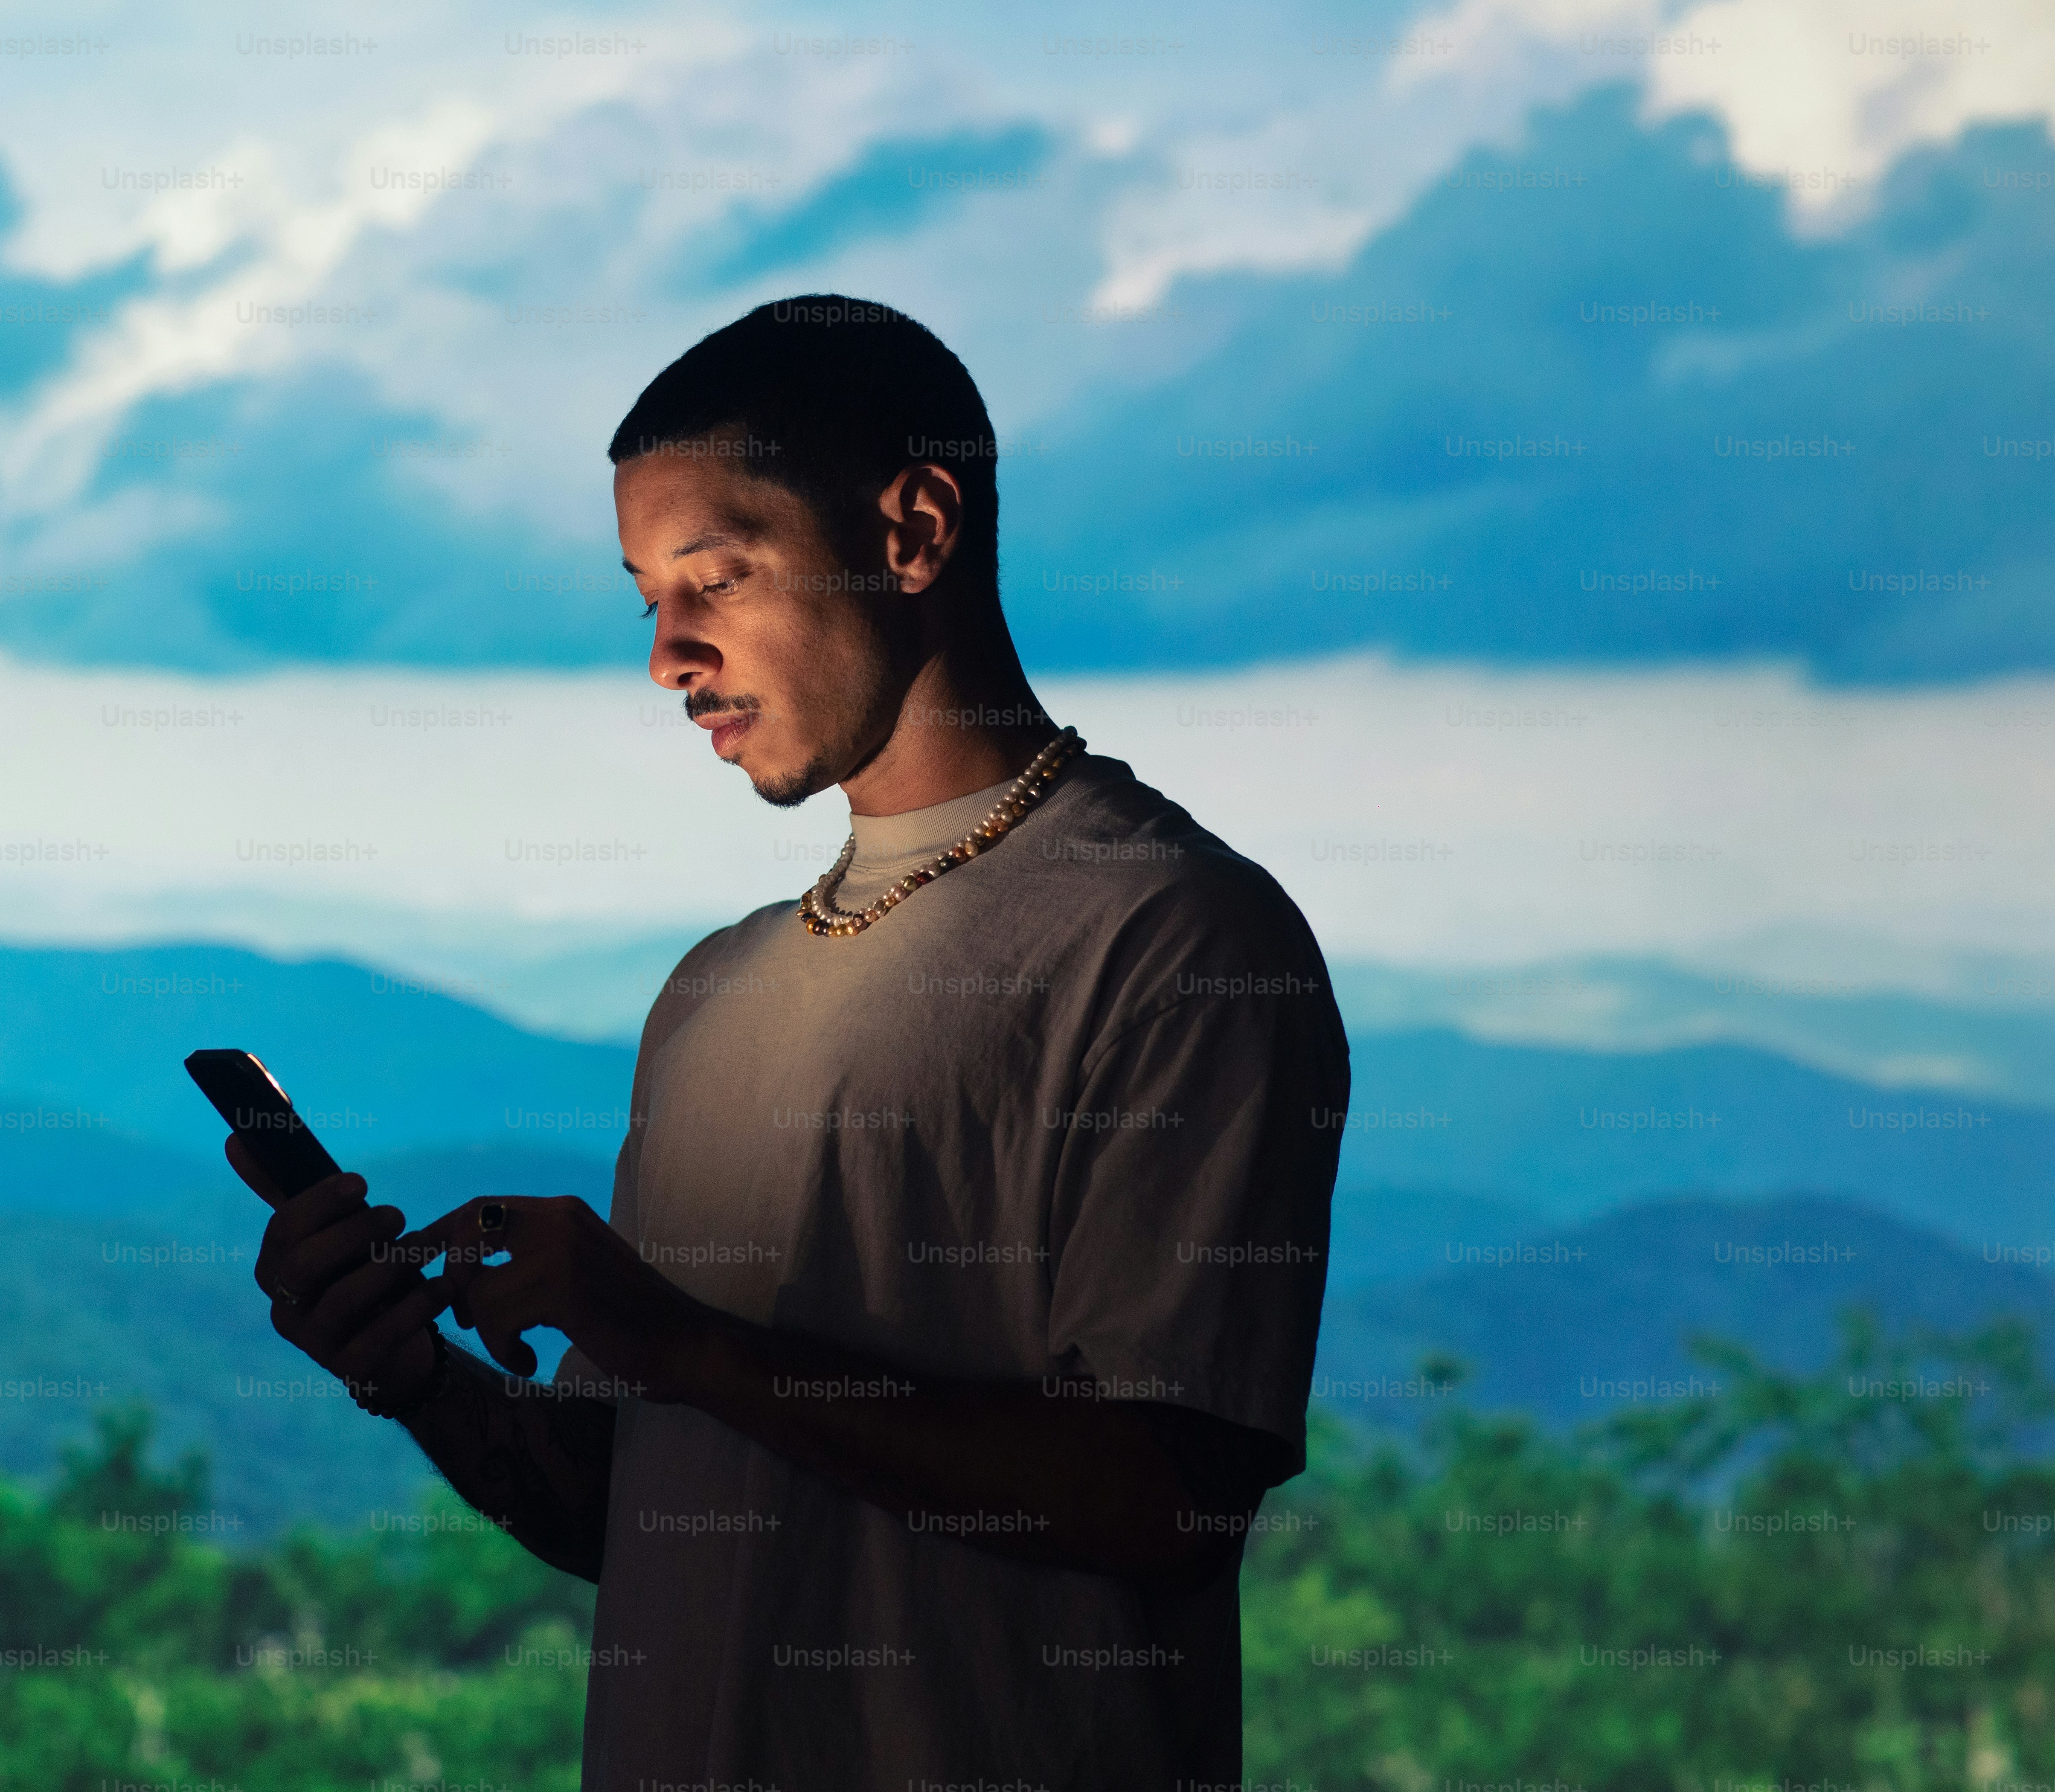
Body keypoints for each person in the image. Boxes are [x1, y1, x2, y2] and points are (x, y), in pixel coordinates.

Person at [231, 293, 1350, 1791]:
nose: (667, 657)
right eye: (647, 599)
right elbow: (631, 1510)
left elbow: (1165, 1498)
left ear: (914, 531)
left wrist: (676, 1339)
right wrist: (414, 1372)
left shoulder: (1176, 940)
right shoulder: (712, 995)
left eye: (716, 578)